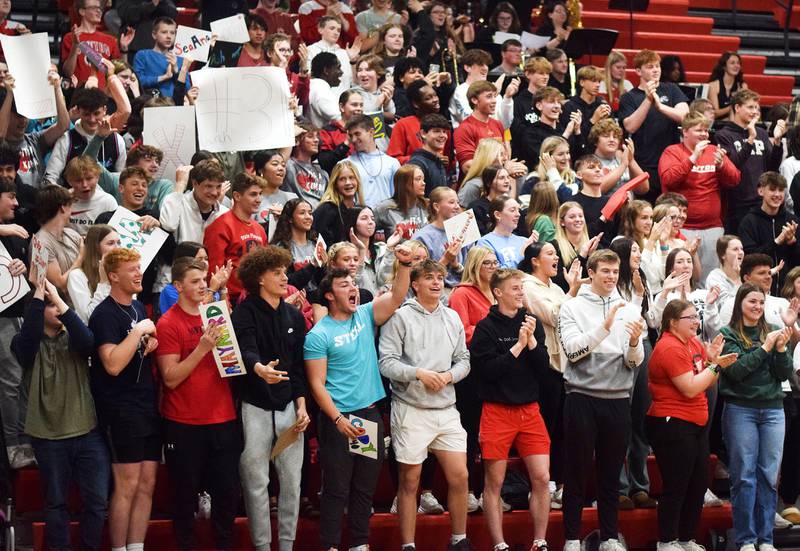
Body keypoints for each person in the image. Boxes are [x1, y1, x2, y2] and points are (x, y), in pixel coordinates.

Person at [303, 243, 413, 551]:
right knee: (337, 489)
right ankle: (330, 545)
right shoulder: (318, 335)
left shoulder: (364, 315)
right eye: (344, 285)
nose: (353, 288)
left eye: (353, 284)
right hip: (339, 420)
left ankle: (359, 544)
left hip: (367, 416)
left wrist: (403, 266)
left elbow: (396, 297)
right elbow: (317, 384)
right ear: (329, 295)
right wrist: (337, 419)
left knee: (364, 488)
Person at [379, 259, 473, 551]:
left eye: (440, 277)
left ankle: (459, 540)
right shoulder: (400, 317)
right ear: (415, 284)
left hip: (446, 408)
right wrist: (418, 373)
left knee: (460, 476)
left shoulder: (452, 317)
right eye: (429, 278)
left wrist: (448, 376)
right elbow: (386, 363)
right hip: (411, 408)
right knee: (410, 480)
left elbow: (464, 361)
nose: (436, 282)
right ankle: (408, 545)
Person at [558, 249, 646, 551]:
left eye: (614, 271)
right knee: (576, 473)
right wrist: (604, 327)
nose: (610, 277)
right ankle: (571, 538)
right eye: (604, 271)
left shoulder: (629, 309)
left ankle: (609, 537)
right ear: (591, 273)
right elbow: (572, 351)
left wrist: (634, 343)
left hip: (618, 399)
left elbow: (634, 363)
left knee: (611, 475)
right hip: (581, 397)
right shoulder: (571, 307)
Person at [13, 277, 108, 551]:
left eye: (60, 305)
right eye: (50, 305)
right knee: (55, 503)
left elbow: (88, 341)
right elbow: (28, 341)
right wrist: (39, 296)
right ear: (36, 309)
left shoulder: (75, 337)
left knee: (98, 501)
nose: (57, 309)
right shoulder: (25, 343)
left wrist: (59, 300)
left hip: (87, 430)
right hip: (47, 435)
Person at [154, 257, 240, 550]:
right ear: (177, 286)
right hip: (184, 423)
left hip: (224, 418)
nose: (203, 285)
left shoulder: (216, 314)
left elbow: (231, 365)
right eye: (195, 281)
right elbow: (170, 378)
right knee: (184, 496)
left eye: (204, 280)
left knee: (227, 494)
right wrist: (203, 348)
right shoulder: (168, 323)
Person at [471, 267, 552, 551]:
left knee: (542, 477)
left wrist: (531, 343)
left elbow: (544, 371)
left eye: (522, 287)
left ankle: (539, 541)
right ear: (498, 292)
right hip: (497, 410)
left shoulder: (532, 322)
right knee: (494, 481)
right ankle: (500, 544)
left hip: (530, 409)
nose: (521, 292)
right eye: (515, 288)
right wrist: (517, 347)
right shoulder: (486, 328)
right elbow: (489, 371)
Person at [646, 299, 736, 551]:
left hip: (695, 423)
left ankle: (686, 538)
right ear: (673, 322)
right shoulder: (668, 348)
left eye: (697, 317)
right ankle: (666, 541)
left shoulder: (693, 342)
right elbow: (690, 387)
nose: (697, 322)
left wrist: (711, 359)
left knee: (697, 485)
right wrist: (716, 366)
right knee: (677, 484)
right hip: (671, 423)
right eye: (691, 318)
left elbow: (700, 374)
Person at [89, 248, 159, 551]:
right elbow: (113, 364)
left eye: (139, 267)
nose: (138, 273)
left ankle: (136, 547)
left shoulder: (139, 308)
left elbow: (133, 352)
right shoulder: (103, 314)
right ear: (114, 276)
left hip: (146, 403)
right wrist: (139, 333)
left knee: (147, 484)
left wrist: (147, 343)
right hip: (120, 409)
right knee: (127, 485)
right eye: (132, 269)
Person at [720, 283, 793, 551]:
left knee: (769, 476)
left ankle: (766, 540)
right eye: (752, 302)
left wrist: (782, 349)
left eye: (761, 303)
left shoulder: (773, 331)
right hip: (741, 410)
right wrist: (764, 349)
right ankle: (746, 539)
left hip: (774, 410)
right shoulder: (728, 335)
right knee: (743, 476)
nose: (757, 307)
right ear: (740, 303)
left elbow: (783, 374)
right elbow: (736, 371)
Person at [659, 111, 741, 280]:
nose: (704, 134)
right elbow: (668, 179)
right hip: (680, 228)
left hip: (712, 227)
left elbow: (735, 180)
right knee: (682, 276)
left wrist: (722, 165)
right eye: (699, 130)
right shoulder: (672, 151)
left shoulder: (713, 151)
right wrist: (693, 157)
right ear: (685, 132)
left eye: (706, 130)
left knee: (711, 277)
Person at [618, 49, 690, 202]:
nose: (656, 70)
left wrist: (661, 107)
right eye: (650, 67)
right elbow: (629, 126)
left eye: (657, 66)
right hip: (644, 163)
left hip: (671, 161)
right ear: (638, 71)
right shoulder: (629, 97)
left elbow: (685, 117)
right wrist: (648, 100)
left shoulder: (671, 89)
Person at [716, 89, 787, 234]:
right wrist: (750, 140)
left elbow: (772, 167)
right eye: (750, 107)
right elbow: (732, 167)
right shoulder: (723, 135)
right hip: (737, 205)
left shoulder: (760, 133)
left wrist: (778, 142)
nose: (755, 111)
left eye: (757, 108)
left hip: (761, 202)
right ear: (737, 108)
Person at [203, 172, 268, 304]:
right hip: (230, 299)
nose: (259, 199)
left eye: (260, 194)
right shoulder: (220, 226)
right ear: (237, 196)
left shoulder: (260, 229)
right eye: (253, 194)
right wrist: (223, 299)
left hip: (257, 297)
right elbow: (214, 270)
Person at [43, 86, 129, 185]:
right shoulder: (66, 140)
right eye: (87, 114)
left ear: (105, 110)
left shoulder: (117, 140)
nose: (92, 119)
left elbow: (122, 179)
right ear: (78, 111)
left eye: (96, 114)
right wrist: (66, 196)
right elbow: (50, 178)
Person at [0, 67, 69, 189]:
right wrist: (9, 94)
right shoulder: (3, 143)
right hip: (14, 201)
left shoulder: (34, 139)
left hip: (39, 201)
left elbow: (63, 125)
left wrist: (57, 88)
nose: (23, 121)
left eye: (26, 116)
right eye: (18, 116)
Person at [738, 172, 800, 289]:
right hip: (759, 289)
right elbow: (750, 259)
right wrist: (776, 242)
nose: (777, 194)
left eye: (781, 190)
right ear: (761, 191)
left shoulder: (793, 221)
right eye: (772, 190)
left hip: (789, 290)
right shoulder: (748, 222)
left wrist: (793, 242)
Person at [160, 159, 229, 244]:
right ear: (195, 183)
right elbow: (168, 225)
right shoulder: (178, 204)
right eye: (209, 186)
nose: (215, 192)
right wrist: (180, 183)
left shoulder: (224, 213)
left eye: (218, 186)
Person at [61, 0, 127, 87]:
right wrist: (75, 45)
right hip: (80, 93)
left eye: (100, 8)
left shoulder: (110, 40)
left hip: (103, 95)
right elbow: (67, 73)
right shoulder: (70, 37)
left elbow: (122, 71)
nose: (99, 11)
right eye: (94, 8)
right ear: (82, 11)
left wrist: (124, 49)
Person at [413, 186, 469, 289]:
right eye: (451, 202)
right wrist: (445, 260)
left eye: (458, 202)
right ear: (436, 206)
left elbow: (472, 273)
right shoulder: (422, 237)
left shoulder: (463, 230)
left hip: (464, 288)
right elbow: (418, 276)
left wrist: (456, 266)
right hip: (436, 291)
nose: (457, 207)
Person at [32, 185, 82, 293]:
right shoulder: (40, 244)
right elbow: (59, 286)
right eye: (70, 205)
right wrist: (82, 256)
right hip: (63, 308)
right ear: (62, 207)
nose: (72, 211)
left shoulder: (72, 234)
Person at [449, 48, 514, 130]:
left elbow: (505, 125)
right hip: (470, 140)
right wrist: (492, 95)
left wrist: (507, 98)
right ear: (467, 67)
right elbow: (469, 121)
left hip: (495, 140)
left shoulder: (494, 92)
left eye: (486, 64)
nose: (485, 68)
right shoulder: (460, 91)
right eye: (480, 64)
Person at [344, 114, 400, 208]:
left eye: (357, 134)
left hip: (387, 219)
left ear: (371, 132)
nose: (353, 139)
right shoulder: (345, 165)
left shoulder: (392, 163)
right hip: (358, 219)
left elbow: (398, 197)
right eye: (351, 135)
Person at [67, 224, 120, 323]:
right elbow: (89, 317)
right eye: (110, 243)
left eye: (118, 242)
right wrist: (104, 282)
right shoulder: (76, 276)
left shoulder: (120, 272)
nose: (117, 248)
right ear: (96, 247)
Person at [453, 80, 507, 175]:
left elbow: (504, 157)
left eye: (494, 96)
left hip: (496, 185)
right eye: (489, 96)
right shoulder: (464, 129)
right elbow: (467, 166)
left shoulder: (497, 124)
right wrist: (503, 170)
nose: (494, 100)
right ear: (474, 100)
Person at [558, 65, 610, 155]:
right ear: (582, 82)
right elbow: (573, 139)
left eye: (599, 81)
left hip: (601, 153)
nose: (598, 85)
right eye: (593, 81)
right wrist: (593, 120)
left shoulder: (602, 104)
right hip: (578, 154)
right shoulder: (570, 107)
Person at [63, 156, 119, 234]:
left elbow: (116, 234)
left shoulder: (108, 201)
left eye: (89, 179)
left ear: (97, 177)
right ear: (69, 181)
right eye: (78, 180)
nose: (85, 185)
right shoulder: (63, 200)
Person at [314, 160, 365, 246]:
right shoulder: (327, 209)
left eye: (351, 178)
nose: (348, 183)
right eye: (342, 179)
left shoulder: (360, 210)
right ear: (335, 184)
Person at [133, 16, 187, 98]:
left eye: (172, 33)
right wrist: (163, 77)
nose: (169, 36)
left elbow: (187, 88)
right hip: (151, 103)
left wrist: (176, 70)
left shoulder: (180, 59)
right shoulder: (143, 55)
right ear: (154, 35)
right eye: (164, 32)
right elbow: (137, 81)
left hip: (174, 105)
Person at [510, 56, 552, 160]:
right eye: (541, 73)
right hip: (527, 157)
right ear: (528, 74)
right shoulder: (518, 102)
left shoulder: (552, 102)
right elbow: (518, 133)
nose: (546, 77)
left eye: (547, 73)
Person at [589, 119, 644, 196]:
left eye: (615, 137)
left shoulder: (621, 156)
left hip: (629, 206)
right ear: (595, 140)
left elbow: (643, 189)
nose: (612, 140)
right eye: (606, 136)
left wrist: (631, 160)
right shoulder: (589, 162)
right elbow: (597, 190)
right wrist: (623, 165)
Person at [307, 15, 357, 97]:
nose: (336, 32)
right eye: (332, 28)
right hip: (321, 97)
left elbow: (353, 82)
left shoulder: (345, 53)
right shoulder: (311, 50)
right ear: (320, 29)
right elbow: (309, 78)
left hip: (344, 99)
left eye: (338, 30)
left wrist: (353, 61)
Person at [375, 164, 428, 240]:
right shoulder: (385, 208)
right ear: (404, 183)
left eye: (423, 179)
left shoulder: (427, 206)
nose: (423, 183)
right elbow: (366, 231)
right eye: (418, 179)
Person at [282, 122, 329, 210]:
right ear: (296, 141)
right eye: (310, 136)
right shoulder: (289, 165)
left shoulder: (323, 174)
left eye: (317, 137)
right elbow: (280, 161)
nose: (316, 140)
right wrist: (291, 136)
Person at [476, 195, 530, 269]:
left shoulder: (524, 241)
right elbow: (493, 274)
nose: (518, 214)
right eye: (512, 210)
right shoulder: (485, 243)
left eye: (518, 210)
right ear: (498, 215)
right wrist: (521, 256)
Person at [318, 89, 364, 175]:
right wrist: (346, 144)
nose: (359, 108)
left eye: (361, 105)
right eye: (354, 105)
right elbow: (325, 163)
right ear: (342, 107)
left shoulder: (366, 130)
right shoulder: (328, 131)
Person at [253, 149, 298, 232]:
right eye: (275, 164)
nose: (281, 168)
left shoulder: (292, 198)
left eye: (283, 165)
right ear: (261, 170)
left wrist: (285, 218)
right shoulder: (252, 199)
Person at [408, 113, 451, 193]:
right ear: (423, 133)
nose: (442, 136)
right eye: (436, 131)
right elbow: (413, 197)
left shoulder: (438, 161)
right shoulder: (417, 164)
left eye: (444, 132)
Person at [470, 166, 514, 235]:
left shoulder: (512, 206)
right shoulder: (477, 207)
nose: (507, 181)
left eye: (508, 177)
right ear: (489, 183)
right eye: (501, 178)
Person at [706, 235, 744, 309]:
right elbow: (725, 306)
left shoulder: (746, 274)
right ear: (723, 255)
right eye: (735, 249)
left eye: (741, 249)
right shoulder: (714, 277)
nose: (741, 252)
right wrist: (739, 282)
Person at [309, 52, 345, 130]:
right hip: (323, 139)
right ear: (326, 70)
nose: (341, 72)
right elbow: (339, 119)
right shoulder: (321, 89)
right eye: (338, 68)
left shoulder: (314, 86)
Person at [708, 51, 748, 120]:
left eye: (738, 63)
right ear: (724, 66)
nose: (736, 66)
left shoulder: (743, 86)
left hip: (736, 121)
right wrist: (732, 106)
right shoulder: (713, 86)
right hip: (717, 123)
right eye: (732, 63)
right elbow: (714, 113)